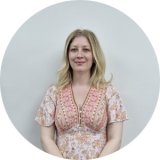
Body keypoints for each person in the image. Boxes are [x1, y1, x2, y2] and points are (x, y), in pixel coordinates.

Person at [35, 29, 128, 160]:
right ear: (67, 55)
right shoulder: (54, 93)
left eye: (86, 49)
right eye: (73, 49)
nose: (79, 55)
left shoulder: (110, 92)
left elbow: (115, 139)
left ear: (95, 55)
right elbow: (46, 138)